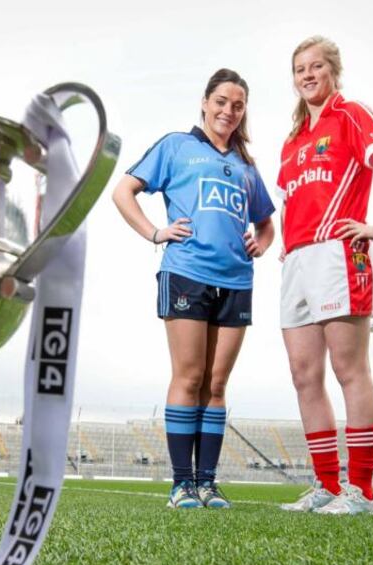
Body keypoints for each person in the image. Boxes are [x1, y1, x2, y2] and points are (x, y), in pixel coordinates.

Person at [112, 68, 275, 509]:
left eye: (238, 105)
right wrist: (155, 233)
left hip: (237, 280)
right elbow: (123, 191)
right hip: (186, 273)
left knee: (217, 384)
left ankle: (207, 482)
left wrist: (259, 242)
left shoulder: (246, 165)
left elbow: (266, 225)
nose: (229, 111)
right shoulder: (176, 146)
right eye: (221, 101)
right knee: (190, 376)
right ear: (205, 102)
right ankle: (181, 484)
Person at [275, 36, 373, 515]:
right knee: (304, 376)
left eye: (316, 66)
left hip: (339, 254)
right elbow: (295, 198)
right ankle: (327, 486)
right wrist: (286, 242)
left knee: (348, 369)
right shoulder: (293, 141)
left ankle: (362, 491)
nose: (308, 75)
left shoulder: (352, 114)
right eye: (300, 69)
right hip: (297, 260)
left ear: (333, 71)